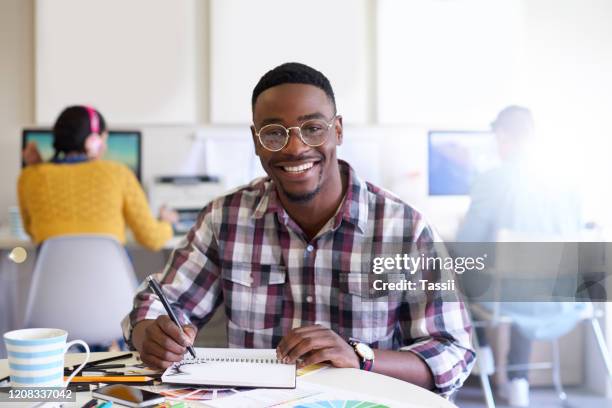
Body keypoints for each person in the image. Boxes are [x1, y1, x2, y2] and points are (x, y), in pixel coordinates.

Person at [123, 63, 475, 397]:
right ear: (256, 140)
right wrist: (150, 334)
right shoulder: (224, 218)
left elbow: (452, 352)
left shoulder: (404, 228)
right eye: (274, 133)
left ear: (337, 130)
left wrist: (361, 358)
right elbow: (156, 305)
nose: (295, 148)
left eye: (312, 128)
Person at [456, 106, 583, 407]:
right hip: (562, 297)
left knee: (451, 270)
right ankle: (518, 384)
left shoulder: (492, 180)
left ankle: (480, 354)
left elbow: (466, 245)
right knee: (529, 279)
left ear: (501, 136)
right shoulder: (566, 182)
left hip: (510, 299)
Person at [18, 105, 177, 251]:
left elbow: (33, 231)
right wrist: (167, 222)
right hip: (110, 282)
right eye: (104, 139)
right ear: (93, 141)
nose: (105, 146)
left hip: (52, 281)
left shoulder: (30, 177)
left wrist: (37, 168)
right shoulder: (119, 173)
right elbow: (151, 239)